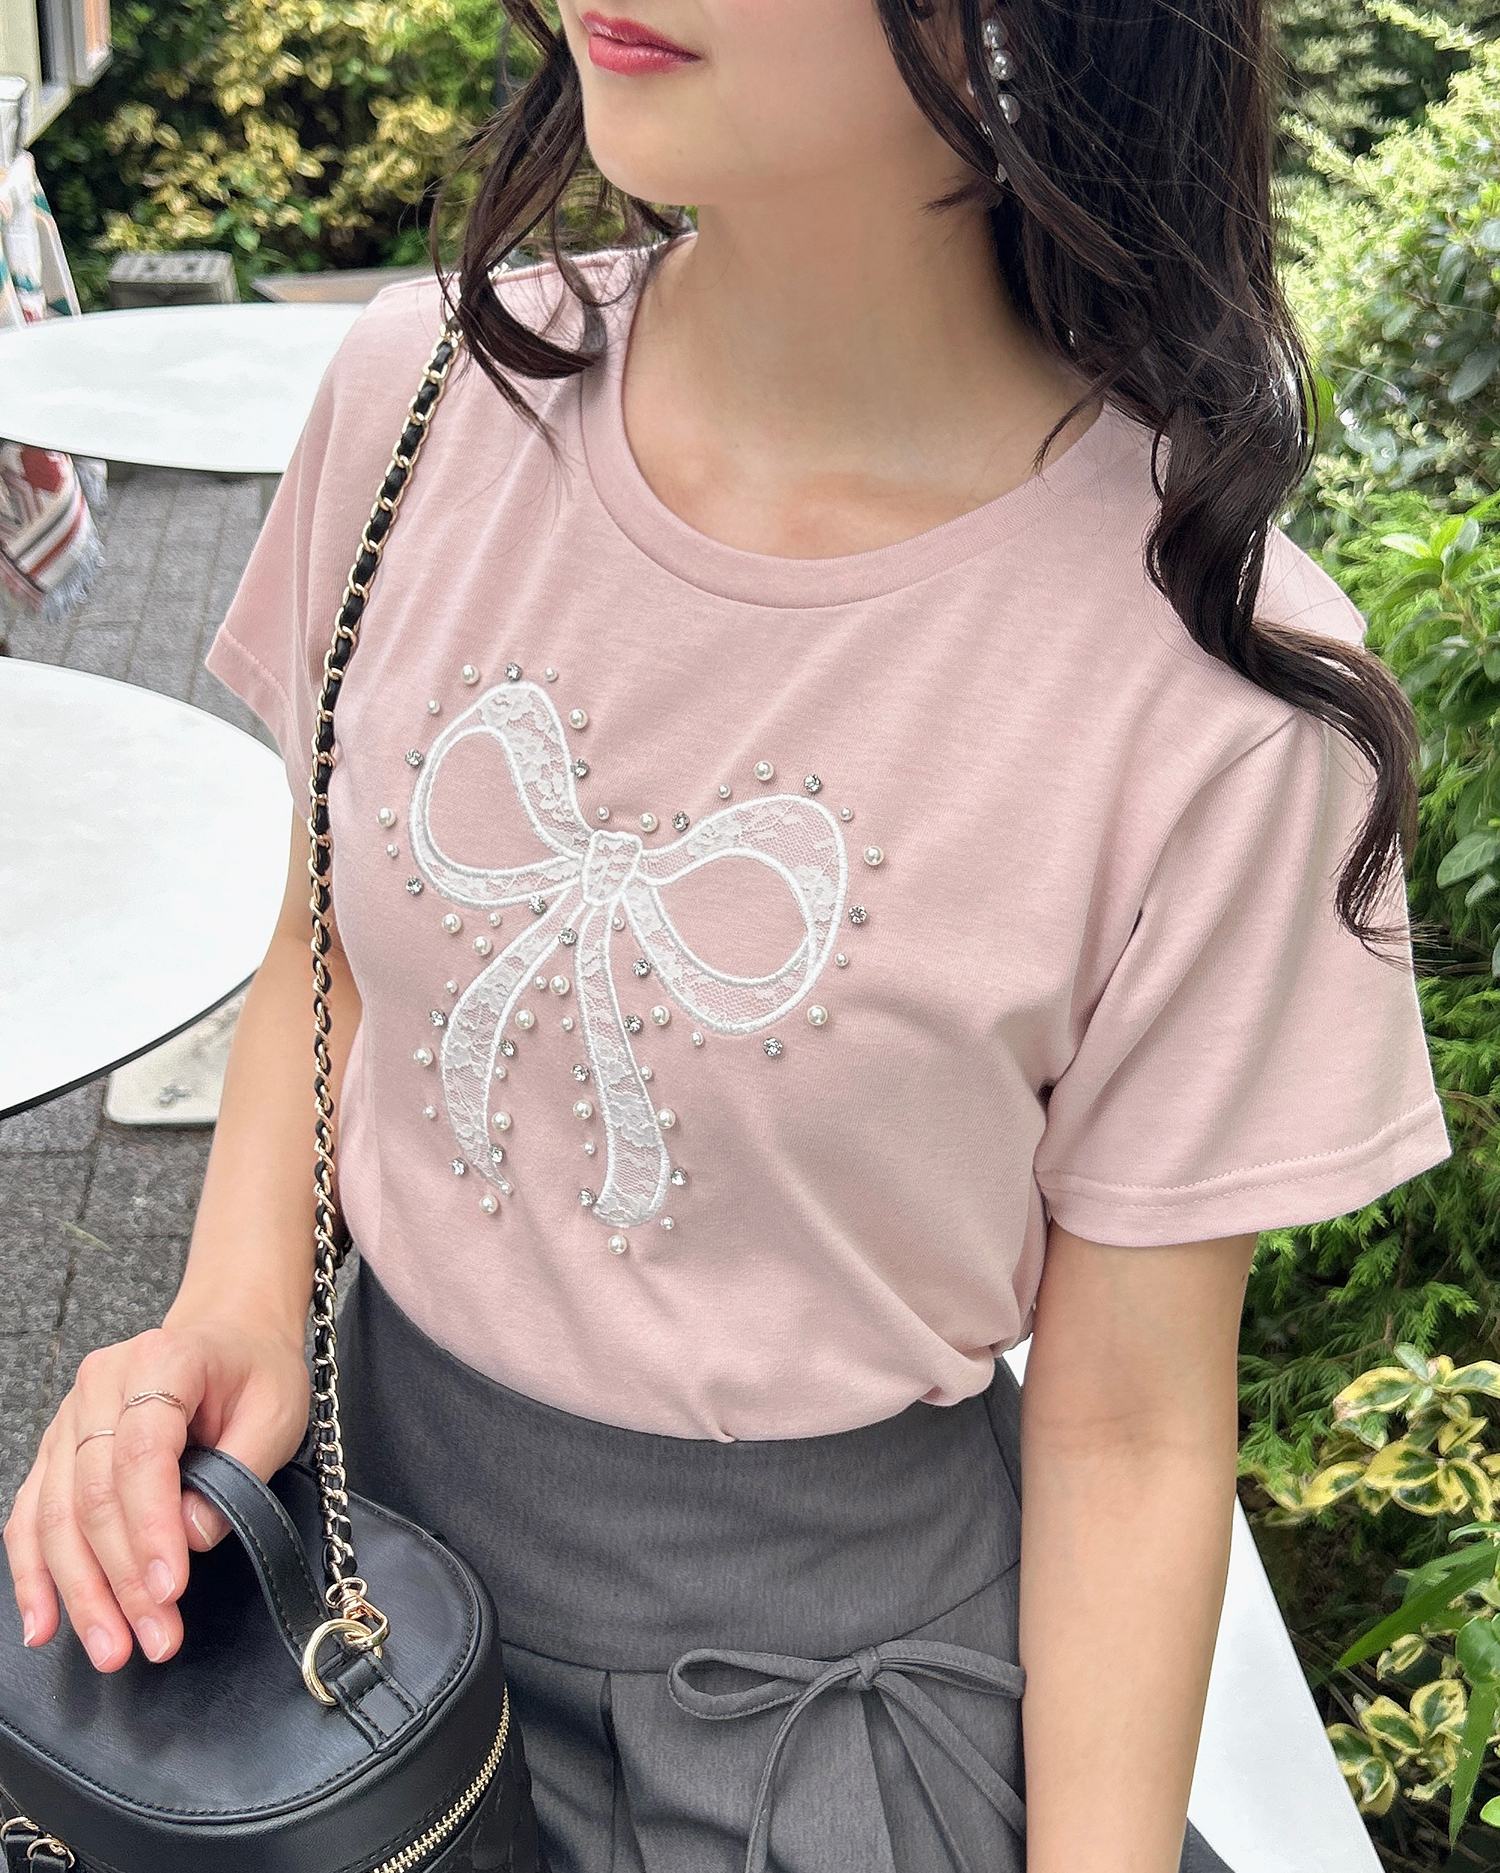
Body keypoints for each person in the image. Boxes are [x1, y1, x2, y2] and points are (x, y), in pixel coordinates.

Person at [3, 2, 1454, 1869]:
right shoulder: (422, 399)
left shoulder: (1216, 691)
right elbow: (336, 931)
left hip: (825, 1748)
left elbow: (1133, 1428)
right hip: (348, 1636)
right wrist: (228, 1312)